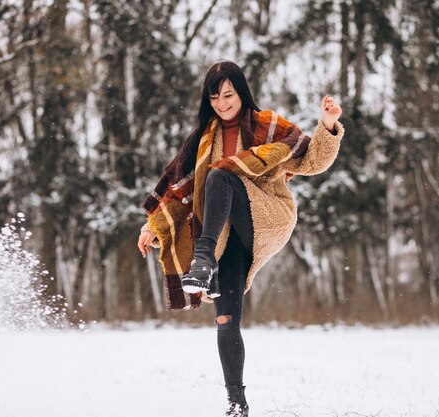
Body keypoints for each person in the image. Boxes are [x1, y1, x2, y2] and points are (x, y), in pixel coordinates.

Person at [137, 60, 344, 417]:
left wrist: (327, 125)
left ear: (241, 93)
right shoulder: (204, 138)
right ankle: (237, 404)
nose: (222, 102)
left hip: (265, 216)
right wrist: (150, 227)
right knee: (226, 319)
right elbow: (177, 190)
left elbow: (312, 160)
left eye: (228, 94)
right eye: (214, 96)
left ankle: (202, 260)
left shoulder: (266, 124)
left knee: (220, 176)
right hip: (224, 240)